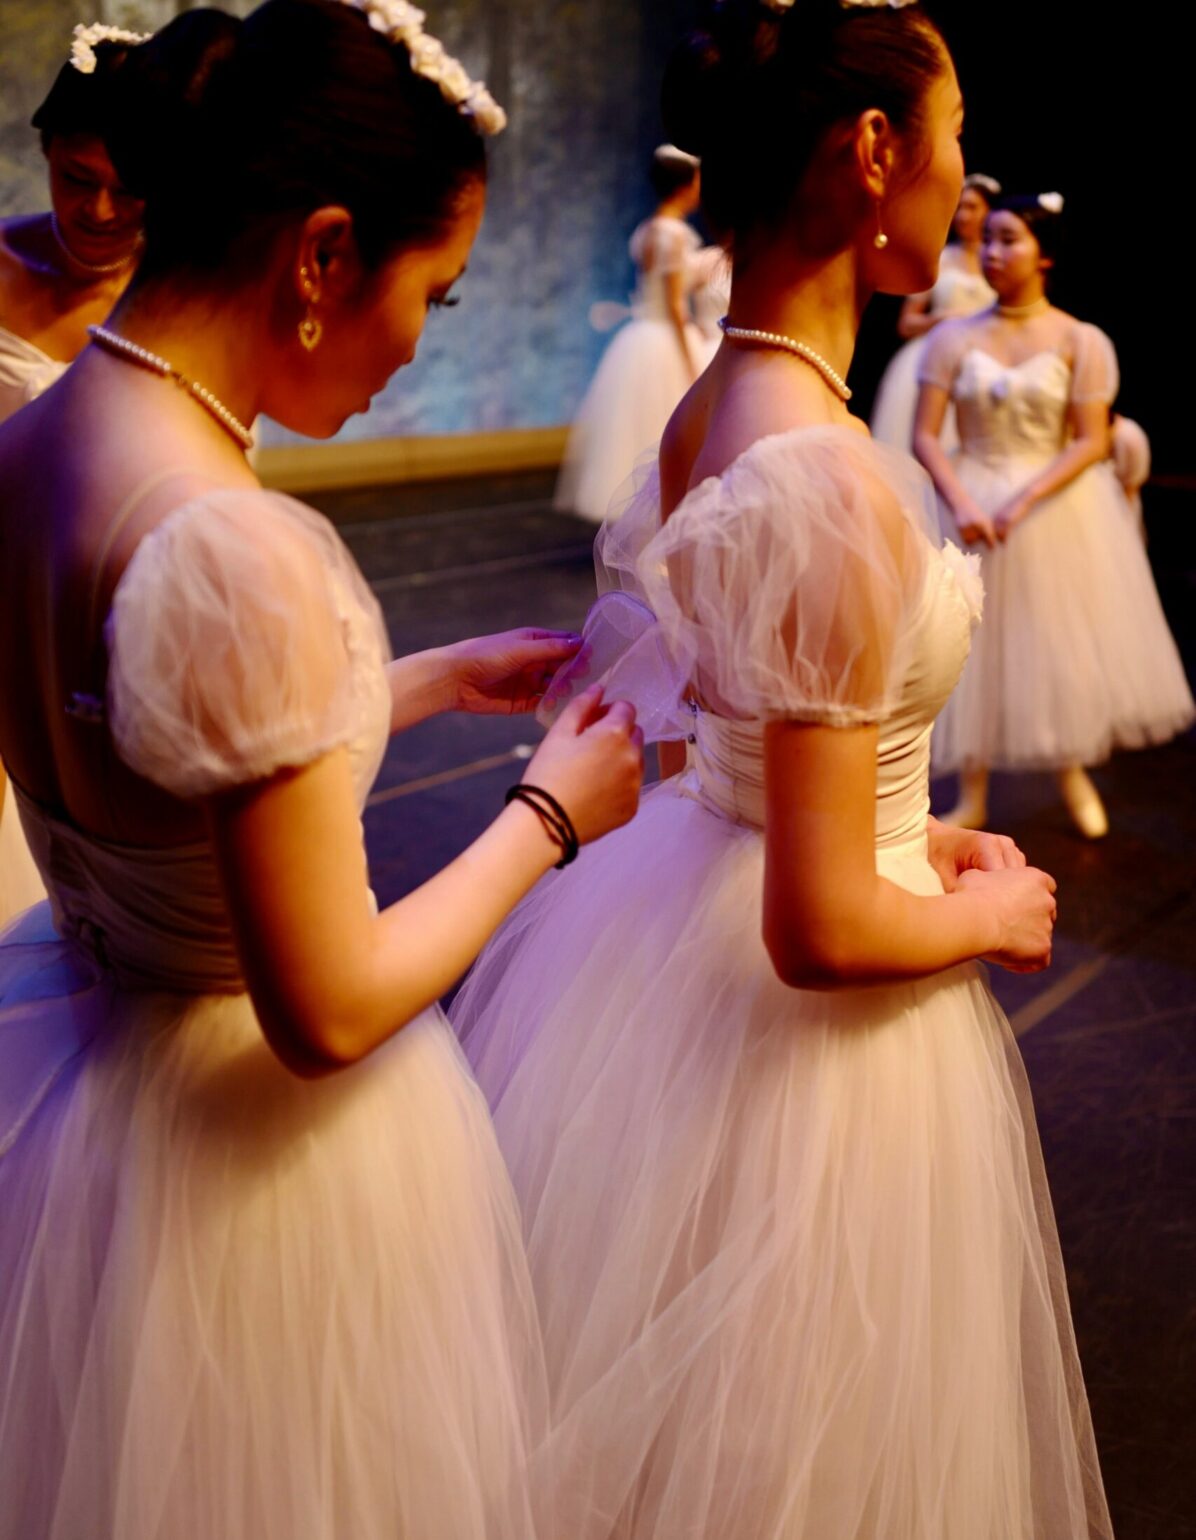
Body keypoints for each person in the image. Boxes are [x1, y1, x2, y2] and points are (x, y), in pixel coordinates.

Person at [453, 3, 1112, 1537]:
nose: (963, 177)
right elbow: (816, 928)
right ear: (875, 152)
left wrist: (907, 832)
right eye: (955, 138)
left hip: (679, 924)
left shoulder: (714, 410)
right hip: (802, 1032)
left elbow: (745, 739)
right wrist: (990, 914)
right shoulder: (821, 476)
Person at [0, 3, 643, 1536]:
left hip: (83, 1070)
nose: (421, 340)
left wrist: (416, 682)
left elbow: (145, 742)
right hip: (248, 1170)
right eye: (436, 290)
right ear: (324, 254)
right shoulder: (235, 543)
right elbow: (330, 1009)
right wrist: (549, 816)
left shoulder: (34, 438)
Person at [913, 193, 1193, 836]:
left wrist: (1022, 501)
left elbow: (1090, 439)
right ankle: (973, 791)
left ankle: (1073, 773)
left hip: (1053, 505)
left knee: (1057, 641)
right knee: (971, 644)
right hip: (970, 499)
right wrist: (963, 502)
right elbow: (925, 434)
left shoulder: (1079, 339)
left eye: (1009, 239)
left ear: (1046, 255)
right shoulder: (951, 337)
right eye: (989, 239)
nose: (992, 252)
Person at [0, 23, 147, 928]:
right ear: (46, 153)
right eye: (75, 178)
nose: (97, 210)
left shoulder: (182, 298)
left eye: (129, 188)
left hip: (108, 608)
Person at [555, 144, 705, 524]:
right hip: (665, 335)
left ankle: (644, 508)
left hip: (641, 336)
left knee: (636, 427)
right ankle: (664, 506)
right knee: (664, 422)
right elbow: (674, 303)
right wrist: (692, 354)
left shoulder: (647, 229)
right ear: (685, 185)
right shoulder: (674, 233)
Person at [870, 171, 998, 451]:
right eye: (960, 207)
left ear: (990, 211)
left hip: (983, 362)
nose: (963, 216)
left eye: (972, 207)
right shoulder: (940, 258)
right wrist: (943, 318)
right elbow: (906, 324)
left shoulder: (999, 261)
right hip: (930, 353)